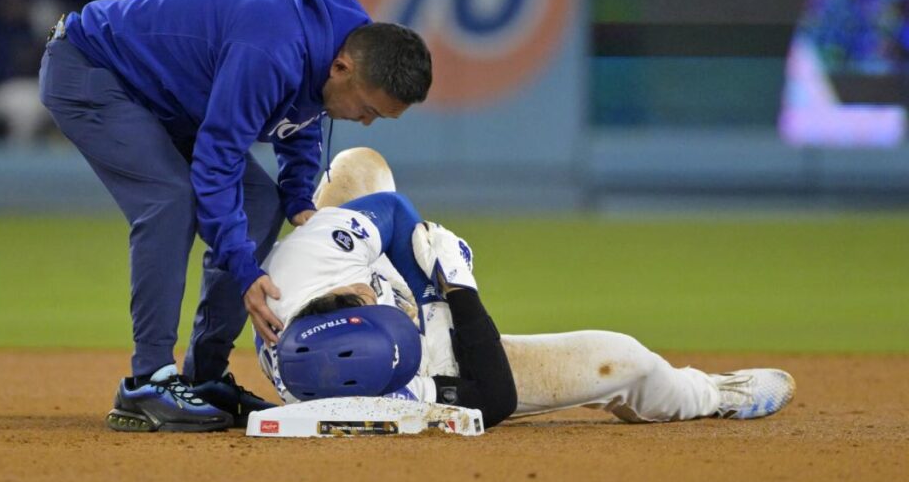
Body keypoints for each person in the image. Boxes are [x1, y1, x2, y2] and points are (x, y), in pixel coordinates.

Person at [37, 0, 432, 432]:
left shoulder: (344, 47)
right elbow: (216, 162)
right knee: (170, 201)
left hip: (166, 98)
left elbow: (304, 109)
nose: (365, 122)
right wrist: (245, 271)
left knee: (261, 202)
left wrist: (298, 194)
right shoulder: (272, 47)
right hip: (92, 69)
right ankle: (147, 382)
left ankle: (203, 376)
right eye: (367, 109)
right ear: (341, 68)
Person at [254, 148, 797, 428]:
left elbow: (389, 211)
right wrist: (457, 292)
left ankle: (405, 285)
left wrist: (421, 288)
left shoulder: (295, 271)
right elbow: (493, 397)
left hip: (371, 305)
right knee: (625, 361)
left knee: (358, 169)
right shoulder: (393, 400)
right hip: (440, 363)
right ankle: (708, 395)